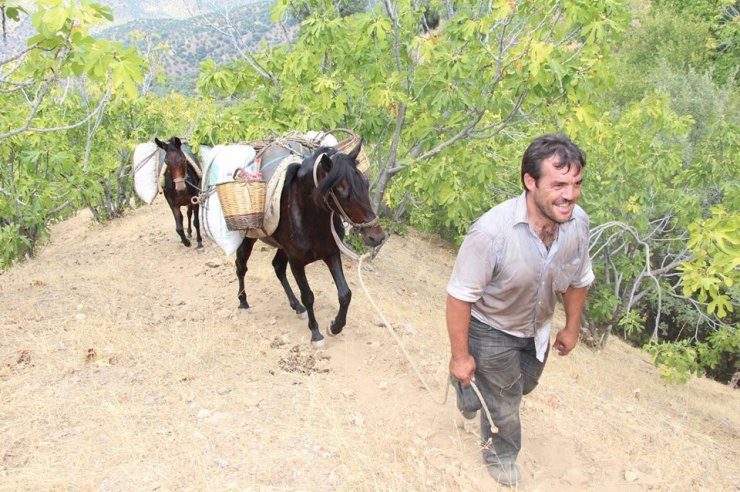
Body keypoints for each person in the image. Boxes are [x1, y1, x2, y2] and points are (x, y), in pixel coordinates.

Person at [446, 134, 594, 486]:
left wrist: (571, 327)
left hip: (537, 329)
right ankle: (501, 454)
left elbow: (579, 278)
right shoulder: (490, 233)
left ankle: (468, 384)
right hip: (491, 328)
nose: (570, 195)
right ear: (530, 181)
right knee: (506, 398)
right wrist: (459, 354)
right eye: (558, 184)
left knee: (523, 385)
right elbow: (459, 297)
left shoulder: (578, 223)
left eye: (576, 184)